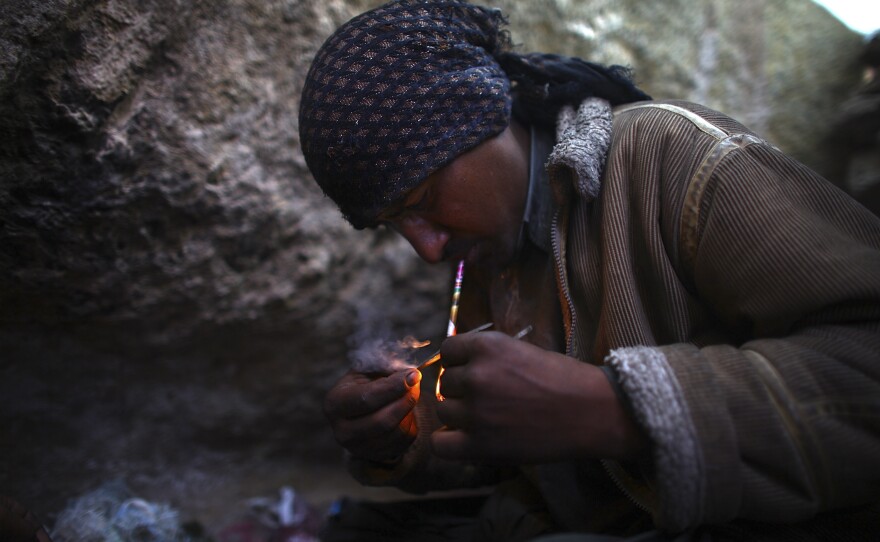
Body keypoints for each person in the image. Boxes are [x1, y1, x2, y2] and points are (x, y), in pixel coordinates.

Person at [297, 1, 880, 540]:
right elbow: (520, 453)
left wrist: (616, 411)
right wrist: (402, 434)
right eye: (395, 223)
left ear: (484, 119)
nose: (427, 249)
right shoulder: (486, 256)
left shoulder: (674, 158)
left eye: (423, 199)